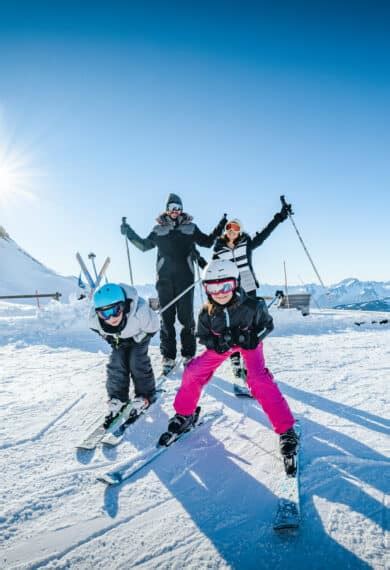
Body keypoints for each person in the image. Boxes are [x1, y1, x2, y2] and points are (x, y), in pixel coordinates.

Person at [164, 259, 298, 458]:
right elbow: (202, 336)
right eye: (213, 287)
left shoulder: (253, 306)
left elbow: (267, 325)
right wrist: (217, 343)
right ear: (206, 289)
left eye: (225, 286)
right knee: (193, 371)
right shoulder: (206, 312)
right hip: (223, 346)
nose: (220, 293)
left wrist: (254, 337)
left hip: (249, 344)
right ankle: (185, 414)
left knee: (258, 379)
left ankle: (286, 429)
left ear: (235, 283)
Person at [121, 193, 226, 374]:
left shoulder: (190, 228)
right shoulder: (158, 230)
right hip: (164, 281)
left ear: (182, 209)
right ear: (166, 209)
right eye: (172, 207)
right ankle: (168, 357)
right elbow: (144, 245)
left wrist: (220, 226)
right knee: (167, 320)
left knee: (186, 320)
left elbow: (207, 242)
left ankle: (188, 356)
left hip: (186, 280)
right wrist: (129, 231)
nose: (175, 211)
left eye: (178, 207)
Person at [212, 200, 292, 380]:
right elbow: (212, 268)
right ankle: (235, 360)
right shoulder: (218, 248)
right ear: (226, 231)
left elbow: (264, 234)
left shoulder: (247, 243)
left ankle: (251, 360)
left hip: (247, 285)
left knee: (250, 324)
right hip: (229, 288)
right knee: (231, 324)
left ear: (240, 231)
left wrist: (279, 217)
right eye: (229, 228)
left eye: (236, 229)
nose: (233, 232)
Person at [89, 282, 160, 427]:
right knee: (116, 362)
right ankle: (118, 397)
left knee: (136, 361)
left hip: (139, 336)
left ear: (124, 306)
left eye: (115, 310)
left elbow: (154, 327)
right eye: (104, 313)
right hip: (119, 339)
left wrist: (140, 337)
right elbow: (98, 330)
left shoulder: (140, 312)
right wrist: (110, 338)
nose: (111, 318)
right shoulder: (95, 320)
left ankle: (146, 395)